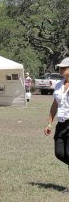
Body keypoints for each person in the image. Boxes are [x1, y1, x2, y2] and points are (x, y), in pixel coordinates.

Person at [44, 57, 69, 194]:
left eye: (64, 68)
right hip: (61, 123)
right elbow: (55, 104)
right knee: (59, 153)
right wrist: (49, 123)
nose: (60, 70)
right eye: (60, 67)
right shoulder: (59, 84)